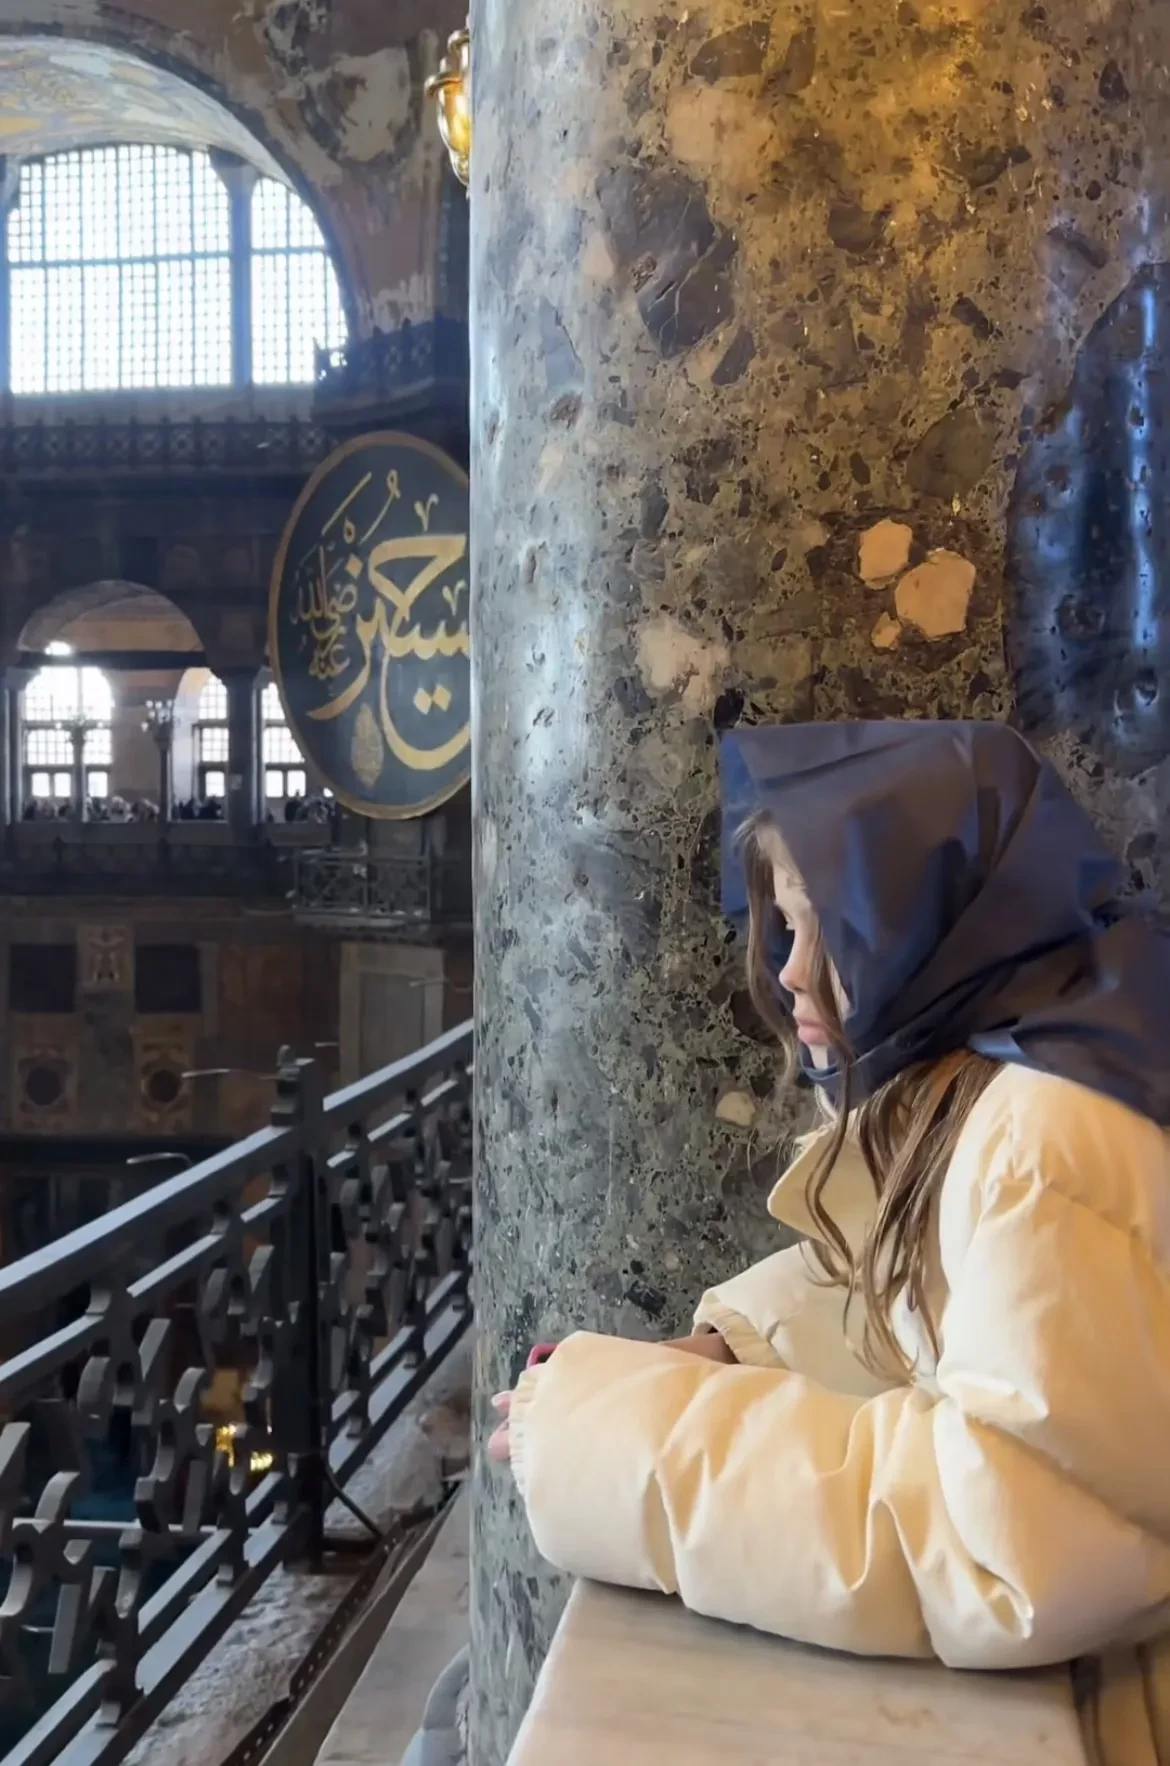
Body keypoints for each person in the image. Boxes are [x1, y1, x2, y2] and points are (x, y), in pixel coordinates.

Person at [488, 721, 1170, 1766]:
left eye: (832, 929)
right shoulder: (1030, 1053)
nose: (794, 974)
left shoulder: (1044, 1138)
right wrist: (743, 1342)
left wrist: (619, 1442)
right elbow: (942, 1288)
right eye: (786, 928)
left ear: (939, 923)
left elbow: (1007, 1542)